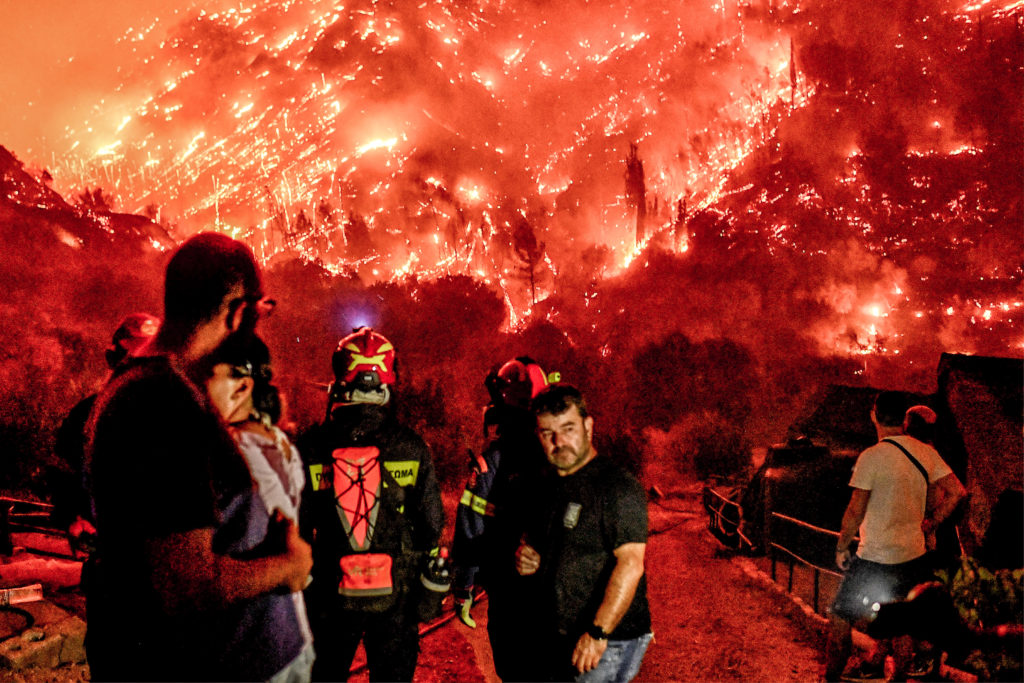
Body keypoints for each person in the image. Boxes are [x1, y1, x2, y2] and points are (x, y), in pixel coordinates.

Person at [85, 232, 313, 682]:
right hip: (185, 665)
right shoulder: (161, 405)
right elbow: (183, 587)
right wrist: (289, 566)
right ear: (236, 313)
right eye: (258, 312)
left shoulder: (151, 387)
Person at [298, 326, 444, 682]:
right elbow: (431, 526)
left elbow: (296, 527)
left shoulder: (312, 446)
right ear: (387, 379)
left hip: (330, 597)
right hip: (395, 597)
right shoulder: (411, 447)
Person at [824, 391, 966, 682]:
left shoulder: (871, 457)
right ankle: (897, 679)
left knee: (840, 618)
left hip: (873, 556)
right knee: (901, 625)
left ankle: (830, 679)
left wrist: (841, 547)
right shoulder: (926, 452)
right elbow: (957, 492)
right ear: (904, 420)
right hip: (912, 557)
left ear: (873, 416)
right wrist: (932, 522)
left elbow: (854, 511)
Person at [516, 384, 652, 682]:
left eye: (568, 428)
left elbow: (631, 564)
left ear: (588, 426)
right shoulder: (548, 486)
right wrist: (529, 558)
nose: (559, 441)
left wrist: (598, 632)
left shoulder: (617, 487)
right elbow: (560, 549)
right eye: (547, 433)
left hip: (608, 639)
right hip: (561, 636)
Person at [205, 333, 315, 683]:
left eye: (204, 374)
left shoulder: (232, 456)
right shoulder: (280, 443)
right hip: (285, 638)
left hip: (247, 649)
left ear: (240, 388)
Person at [451, 357, 550, 680]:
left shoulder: (491, 460)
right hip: (558, 590)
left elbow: (471, 523)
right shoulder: (564, 453)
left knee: (515, 670)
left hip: (509, 590)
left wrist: (464, 585)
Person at [51, 312, 159, 554]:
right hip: (110, 560)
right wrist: (73, 517)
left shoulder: (181, 418)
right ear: (113, 359)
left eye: (150, 361)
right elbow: (63, 472)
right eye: (131, 359)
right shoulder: (86, 415)